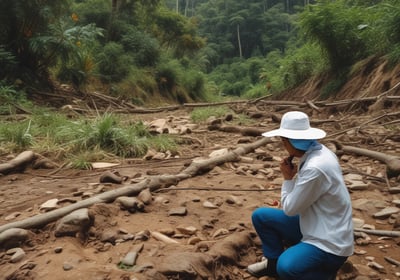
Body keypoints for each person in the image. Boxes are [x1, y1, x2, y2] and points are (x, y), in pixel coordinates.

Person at [247, 111, 354, 280]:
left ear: (288, 141)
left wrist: (287, 179)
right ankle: (272, 264)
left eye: (283, 140)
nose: (283, 144)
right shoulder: (318, 151)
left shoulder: (315, 168)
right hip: (316, 222)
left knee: (287, 267)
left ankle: (323, 274)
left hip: (329, 242)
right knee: (261, 216)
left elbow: (290, 209)